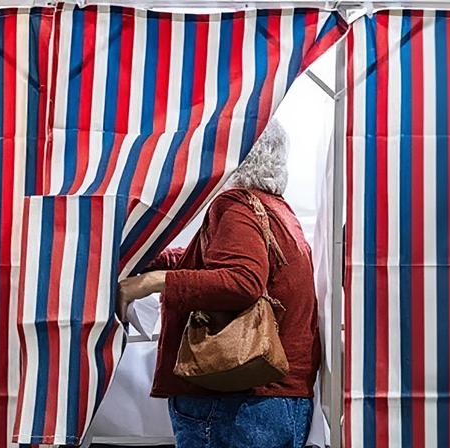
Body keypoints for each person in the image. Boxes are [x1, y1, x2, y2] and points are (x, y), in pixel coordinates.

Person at [117, 120, 321, 448]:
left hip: (233, 402)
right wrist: (154, 259)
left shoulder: (236, 206)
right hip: (278, 400)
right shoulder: (277, 210)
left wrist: (153, 282)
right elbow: (221, 260)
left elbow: (242, 281)